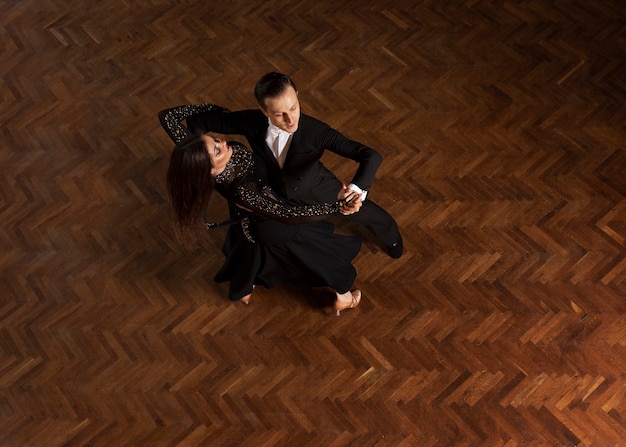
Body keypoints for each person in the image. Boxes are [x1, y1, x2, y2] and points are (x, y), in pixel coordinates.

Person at [160, 104, 363, 315]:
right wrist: (338, 206)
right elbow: (289, 215)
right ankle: (344, 297)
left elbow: (167, 116)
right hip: (278, 226)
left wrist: (212, 108)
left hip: (250, 217)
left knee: (255, 252)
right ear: (208, 170)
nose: (224, 143)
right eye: (217, 149)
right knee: (321, 258)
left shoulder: (195, 153)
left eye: (216, 140)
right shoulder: (244, 191)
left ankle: (245, 288)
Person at [183, 72, 404, 259]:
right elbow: (199, 122)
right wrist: (201, 155)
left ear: (297, 97)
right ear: (264, 112)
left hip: (318, 189)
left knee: (372, 216)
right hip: (274, 193)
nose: (291, 120)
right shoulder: (251, 121)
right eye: (280, 115)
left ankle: (393, 240)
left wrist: (355, 192)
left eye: (294, 108)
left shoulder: (315, 131)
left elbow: (370, 155)